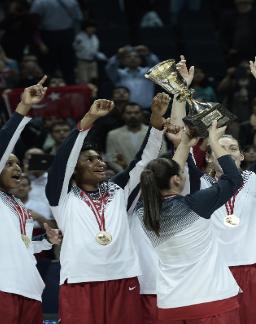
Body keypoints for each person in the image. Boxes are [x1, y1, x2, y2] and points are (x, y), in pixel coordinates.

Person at [171, 51, 256, 324]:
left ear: (242, 157)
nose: (227, 152)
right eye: (220, 147)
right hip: (213, 270)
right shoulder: (198, 183)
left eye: (233, 148)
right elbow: (178, 138)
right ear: (208, 156)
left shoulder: (255, 179)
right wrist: (180, 90)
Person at [45, 92, 170, 323]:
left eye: (100, 158)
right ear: (75, 169)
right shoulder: (62, 196)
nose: (99, 163)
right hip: (80, 279)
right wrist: (88, 120)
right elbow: (62, 163)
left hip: (123, 278)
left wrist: (155, 122)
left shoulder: (119, 191)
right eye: (89, 160)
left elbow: (143, 162)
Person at [0, 76, 62, 324]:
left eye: (18, 163)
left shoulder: (18, 206)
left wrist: (44, 241)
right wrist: (22, 108)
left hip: (28, 290)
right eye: (8, 163)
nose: (17, 167)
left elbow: (21, 246)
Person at [140, 121, 243, 323]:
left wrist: (185, 144)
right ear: (177, 180)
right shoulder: (195, 205)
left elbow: (169, 173)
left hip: (170, 306)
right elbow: (233, 178)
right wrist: (213, 140)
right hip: (212, 301)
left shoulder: (142, 212)